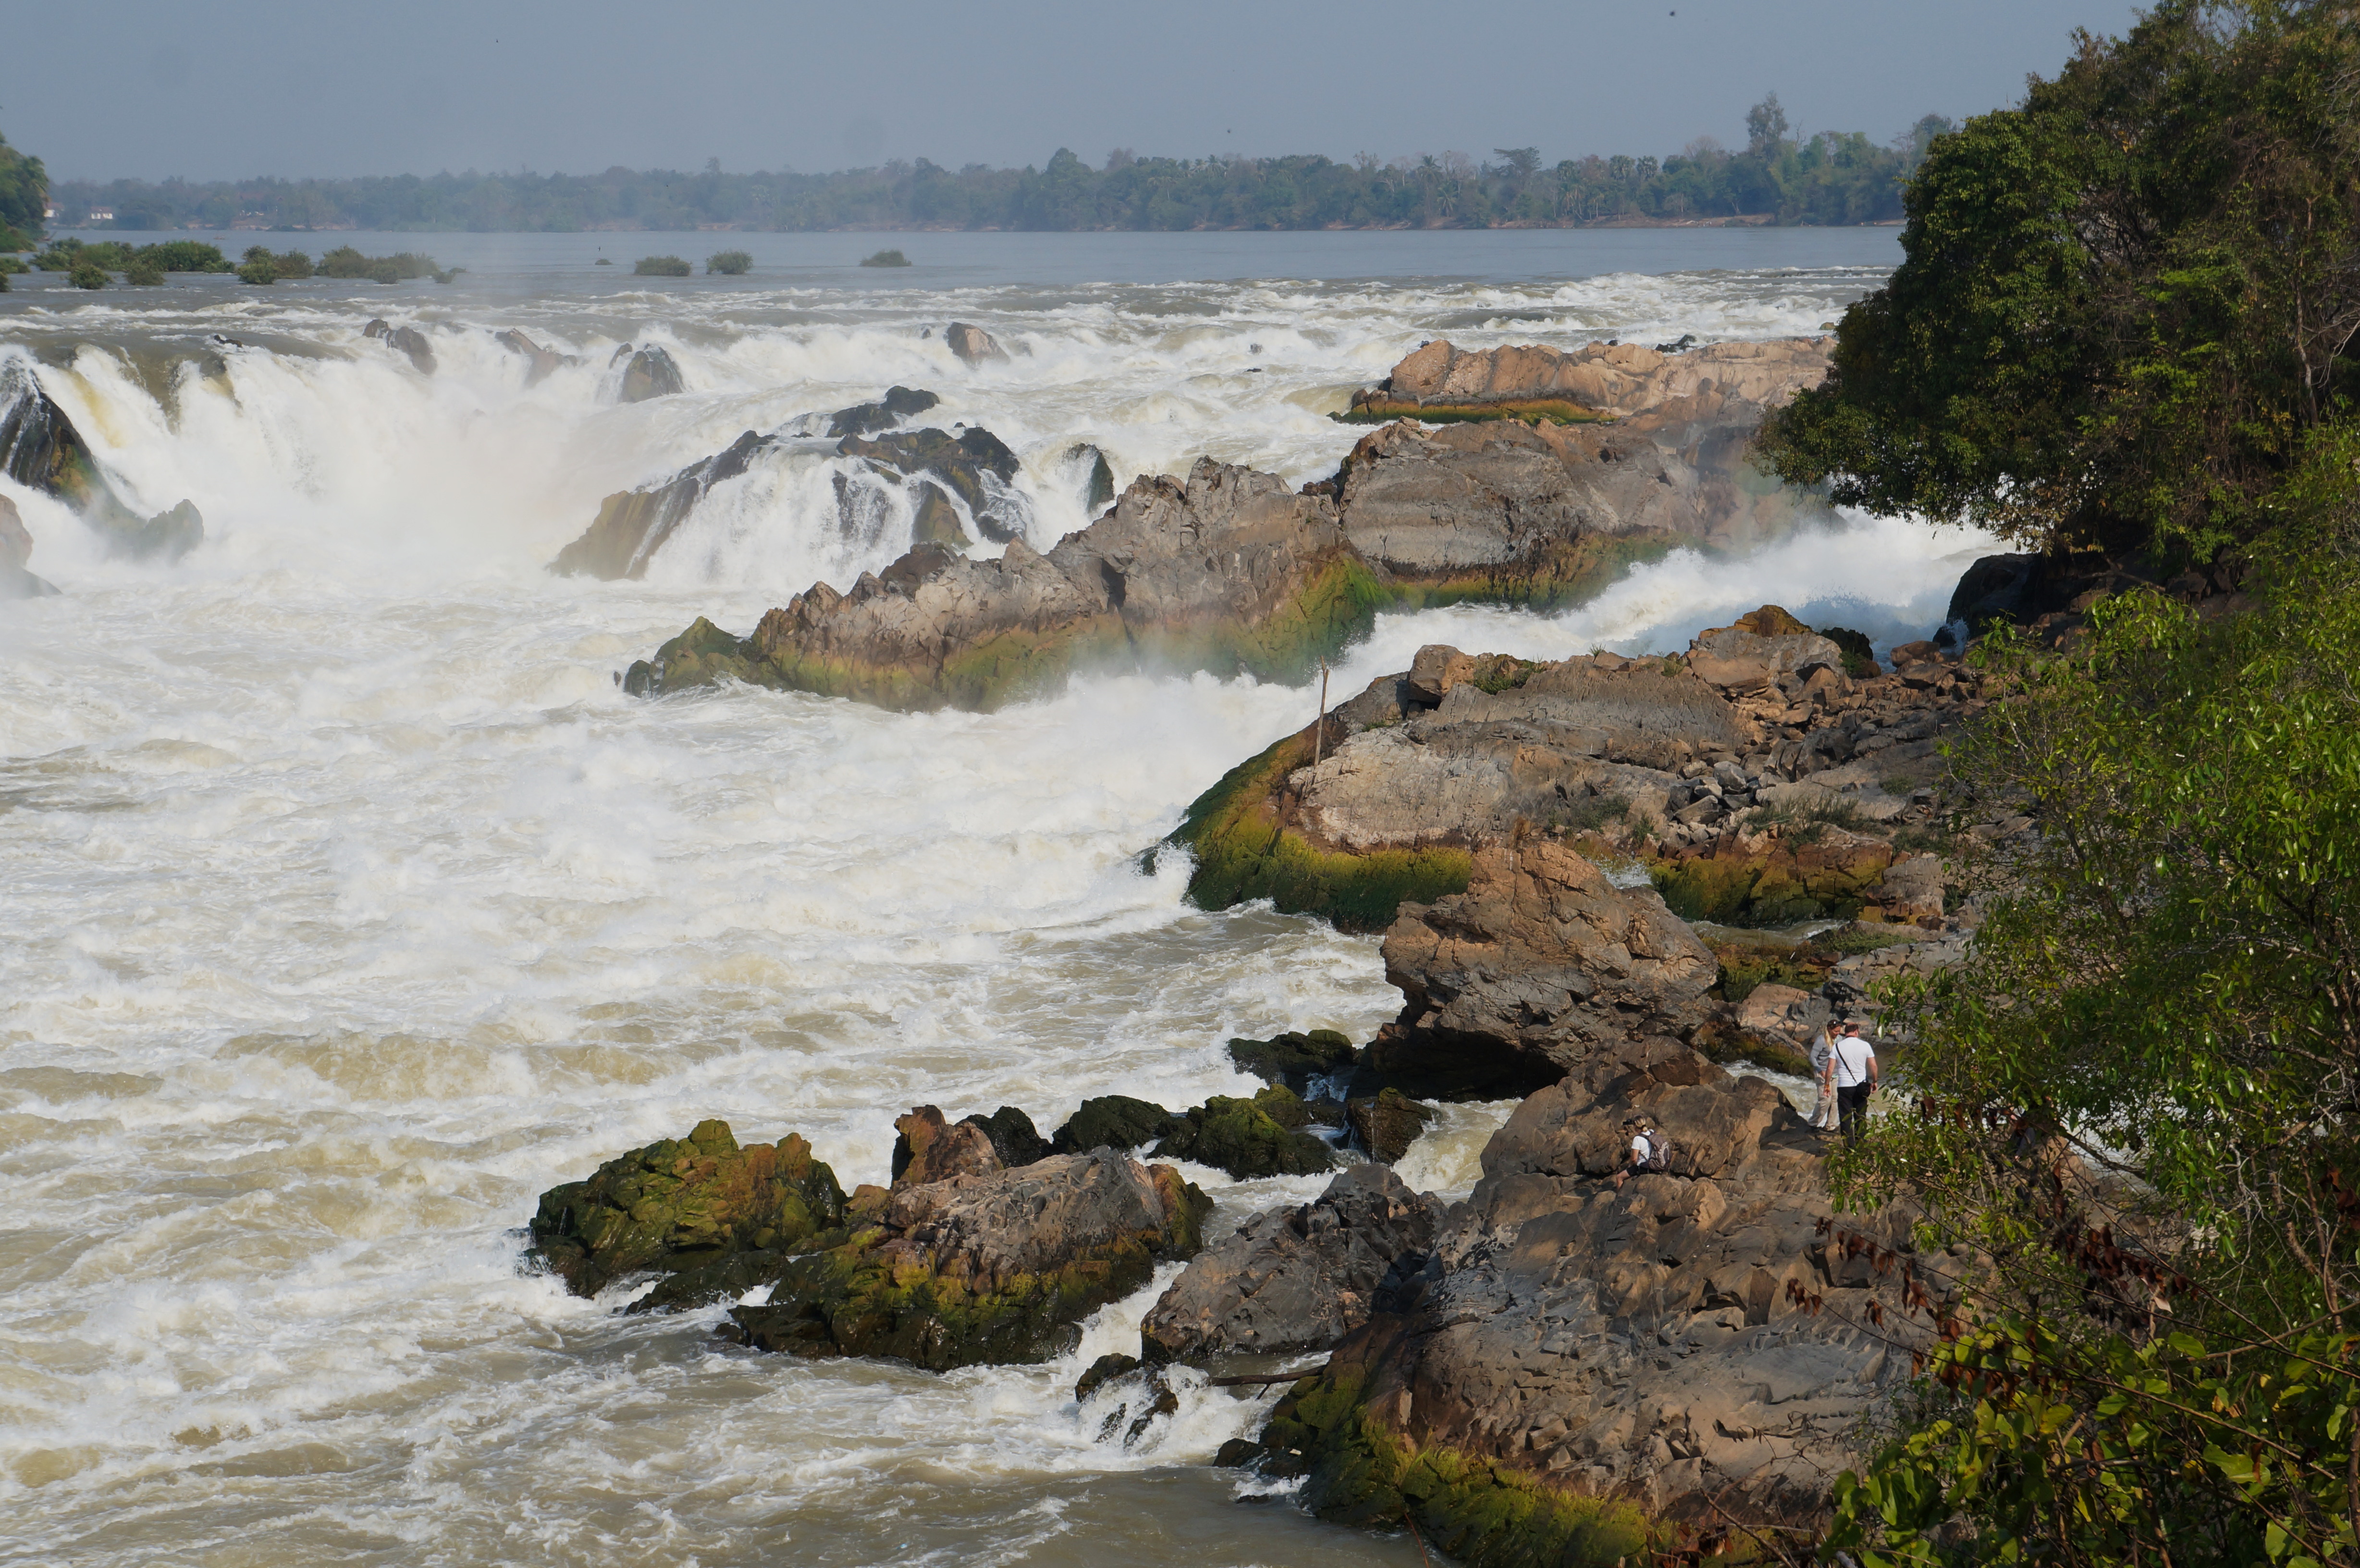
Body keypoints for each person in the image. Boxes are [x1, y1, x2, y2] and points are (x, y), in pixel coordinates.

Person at [1831, 1020, 1879, 1144]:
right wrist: (1874, 1082)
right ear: (1857, 1032)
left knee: (1845, 1118)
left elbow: (1830, 1068)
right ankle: (1861, 1145)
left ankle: (1849, 1148)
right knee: (1861, 1117)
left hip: (1844, 1087)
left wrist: (1827, 1084)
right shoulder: (1865, 1046)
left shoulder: (1837, 1046)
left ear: (1845, 1033)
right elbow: (1874, 1066)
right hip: (1861, 1087)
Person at [1808, 1022, 1839, 1131]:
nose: (1837, 1033)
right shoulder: (1821, 1041)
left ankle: (1830, 1126)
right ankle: (1813, 1123)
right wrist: (1820, 1070)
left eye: (1839, 1031)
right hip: (1822, 1073)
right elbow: (1812, 1057)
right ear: (1829, 1029)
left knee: (1835, 1099)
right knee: (1825, 1100)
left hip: (1835, 1074)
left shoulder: (1839, 1039)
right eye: (1835, 1031)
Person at [1613, 1116, 1659, 1189]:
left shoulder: (1637, 1139)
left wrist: (1630, 1167)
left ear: (1635, 1126)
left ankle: (1618, 1198)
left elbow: (1634, 1159)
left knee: (1619, 1177)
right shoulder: (1652, 1132)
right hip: (1654, 1163)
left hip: (1644, 1167)